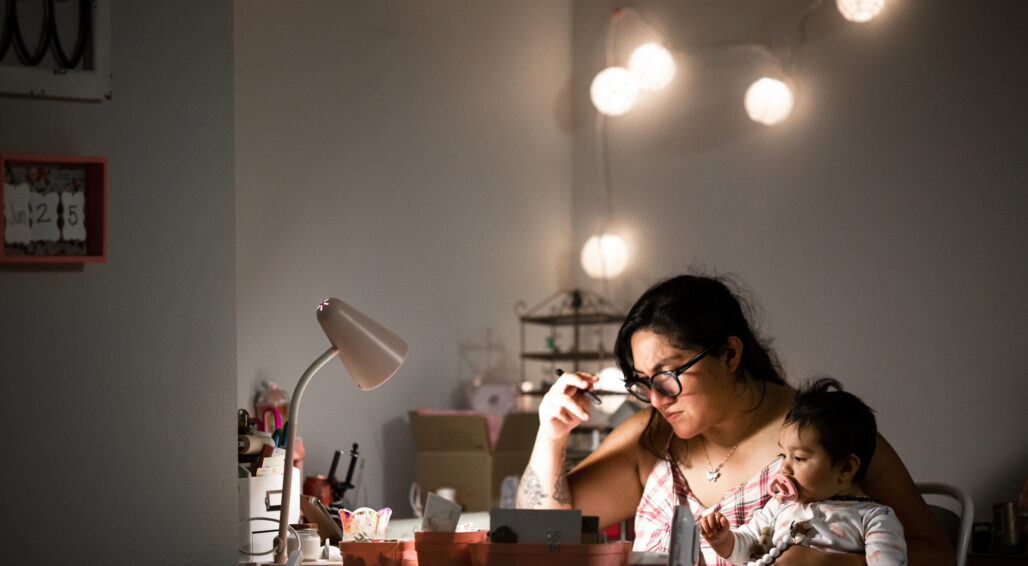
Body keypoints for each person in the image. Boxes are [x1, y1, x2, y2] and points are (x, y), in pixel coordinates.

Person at [516, 274, 953, 565]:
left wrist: (832, 560)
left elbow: (935, 552)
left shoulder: (825, 433)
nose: (655, 398)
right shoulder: (650, 438)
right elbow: (539, 535)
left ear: (729, 353)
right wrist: (550, 436)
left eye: (668, 376)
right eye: (642, 382)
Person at [699, 378, 906, 565]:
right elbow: (752, 550)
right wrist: (724, 540)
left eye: (799, 458)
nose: (784, 468)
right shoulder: (779, 510)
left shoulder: (873, 518)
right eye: (783, 456)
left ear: (845, 467)